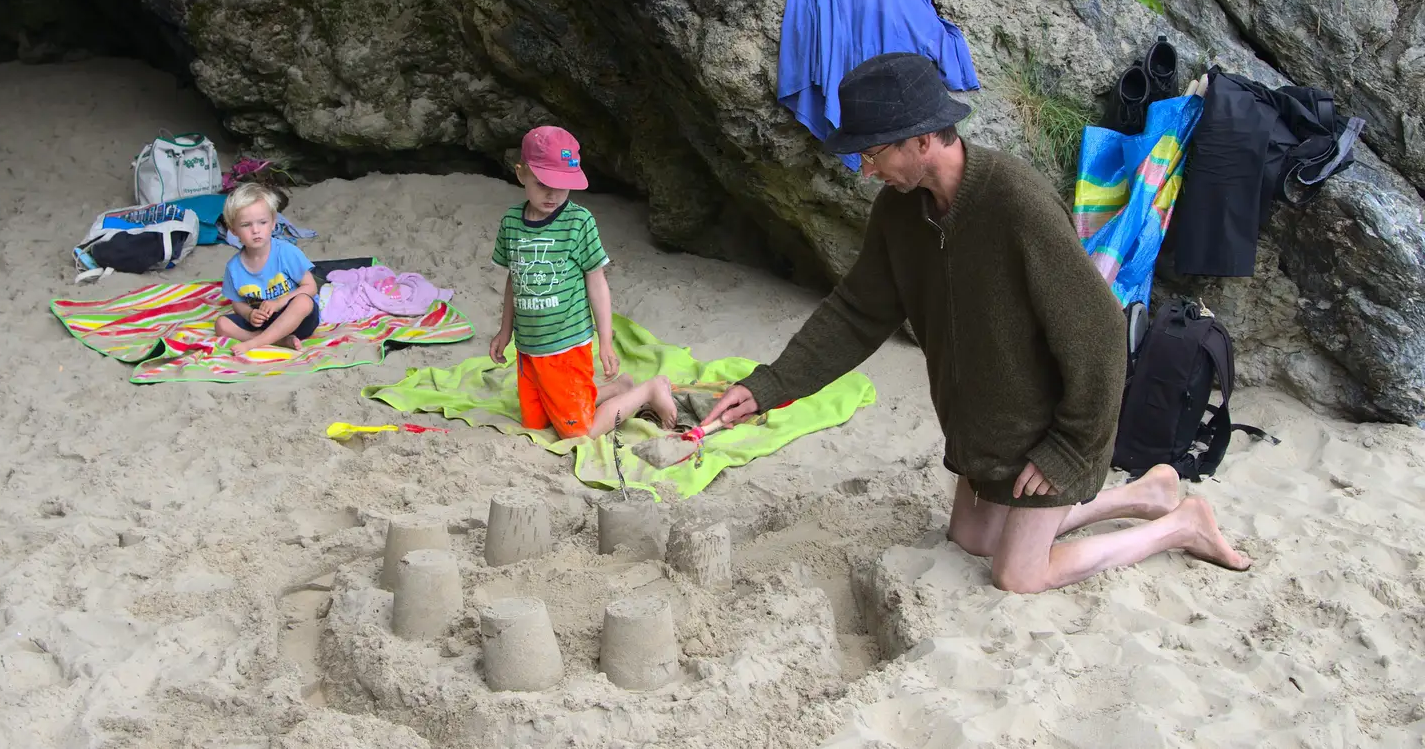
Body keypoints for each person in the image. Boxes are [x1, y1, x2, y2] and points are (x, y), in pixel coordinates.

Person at [702, 52, 1251, 592]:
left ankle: (1182, 525)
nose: (865, 171)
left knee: (1017, 574)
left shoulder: (1015, 202)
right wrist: (769, 385)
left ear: (922, 141)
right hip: (987, 433)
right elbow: (857, 313)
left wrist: (1070, 449)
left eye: (872, 155)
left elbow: (1102, 331)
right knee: (971, 538)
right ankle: (1145, 495)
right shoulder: (900, 212)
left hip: (1052, 430)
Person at [490, 126, 678, 437]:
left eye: (562, 186)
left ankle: (649, 390)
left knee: (579, 432)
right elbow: (515, 276)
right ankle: (620, 387)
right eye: (543, 184)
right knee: (536, 424)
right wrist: (505, 330)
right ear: (521, 174)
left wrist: (605, 340)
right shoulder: (511, 222)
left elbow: (597, 281)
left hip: (566, 345)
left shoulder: (579, 222)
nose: (553, 195)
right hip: (529, 349)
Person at [214, 182, 320, 359]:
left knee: (304, 301)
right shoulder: (233, 267)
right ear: (233, 230)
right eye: (246, 225)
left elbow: (310, 287)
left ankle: (255, 342)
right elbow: (237, 302)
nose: (256, 230)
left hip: (296, 319)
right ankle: (277, 340)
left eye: (262, 222)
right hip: (263, 321)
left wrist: (279, 302)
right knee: (221, 324)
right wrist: (249, 314)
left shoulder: (286, 252)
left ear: (273, 223)